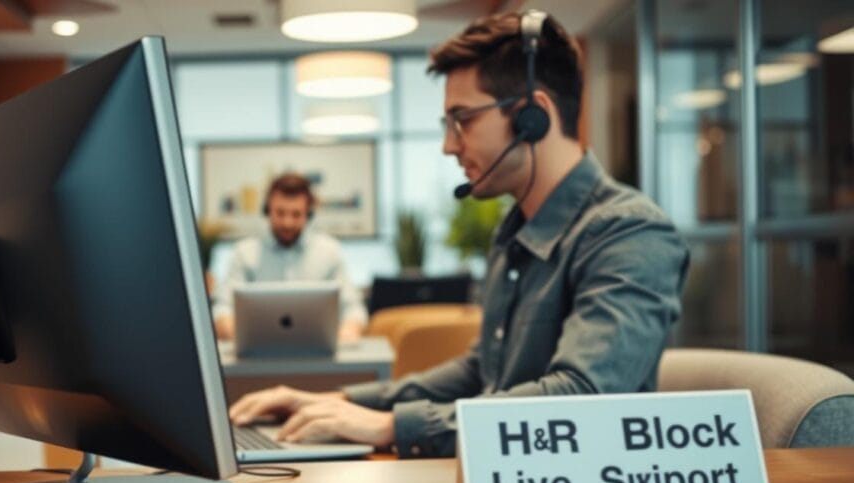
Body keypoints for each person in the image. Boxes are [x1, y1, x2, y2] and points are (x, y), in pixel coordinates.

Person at [229, 10, 689, 458]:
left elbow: (582, 397)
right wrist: (342, 402)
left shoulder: (628, 233)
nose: (449, 145)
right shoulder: (516, 233)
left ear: (533, 117)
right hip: (503, 480)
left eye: (462, 119)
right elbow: (480, 371)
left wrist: (390, 427)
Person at [212, 172, 367, 341]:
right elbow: (222, 307)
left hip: (316, 351)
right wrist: (235, 333)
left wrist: (346, 333)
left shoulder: (330, 252)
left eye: (296, 214)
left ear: (308, 214)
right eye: (280, 213)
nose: (287, 222)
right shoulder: (244, 253)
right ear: (267, 211)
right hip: (258, 352)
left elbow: (353, 309)